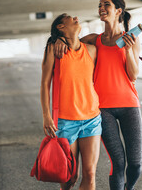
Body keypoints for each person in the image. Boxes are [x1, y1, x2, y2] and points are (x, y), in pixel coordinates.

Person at [55, 0, 142, 190]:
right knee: (118, 163)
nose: (101, 7)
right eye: (99, 4)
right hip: (102, 109)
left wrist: (127, 50)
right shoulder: (94, 40)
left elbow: (133, 76)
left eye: (106, 4)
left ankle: (128, 188)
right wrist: (59, 41)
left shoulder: (131, 39)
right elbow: (71, 42)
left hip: (129, 106)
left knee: (135, 165)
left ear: (118, 11)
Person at [40, 13, 102, 190]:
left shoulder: (91, 50)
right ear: (60, 27)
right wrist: (46, 116)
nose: (75, 17)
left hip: (92, 118)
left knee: (90, 174)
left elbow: (107, 38)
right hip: (65, 122)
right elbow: (45, 84)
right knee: (70, 177)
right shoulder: (53, 50)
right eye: (68, 17)